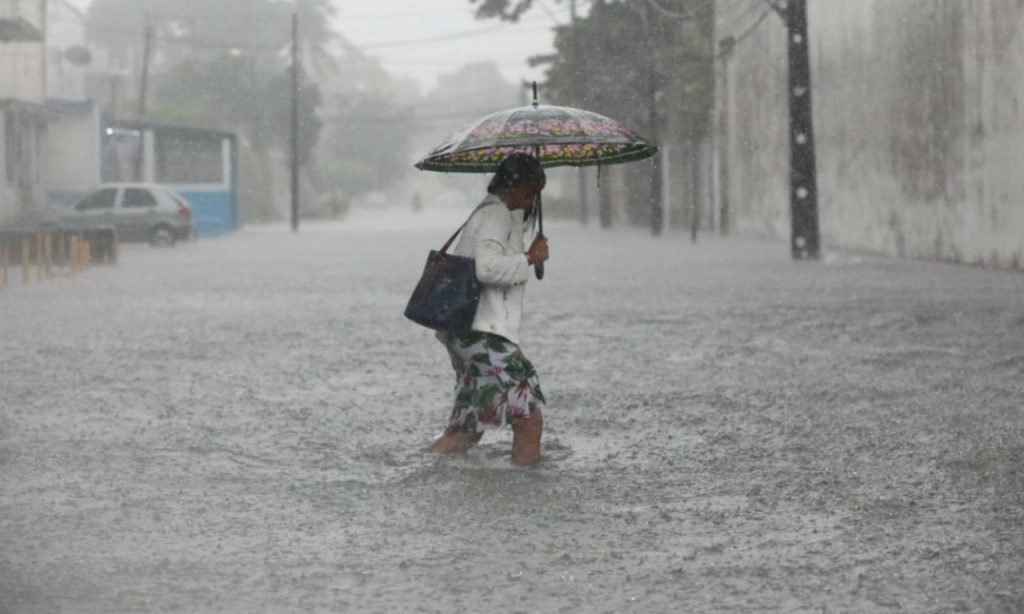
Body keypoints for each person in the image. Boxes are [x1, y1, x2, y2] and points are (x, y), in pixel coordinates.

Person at [426, 153, 550, 466]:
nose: (530, 200)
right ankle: (528, 502)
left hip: (466, 332)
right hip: (485, 335)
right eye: (529, 191)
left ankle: (420, 474)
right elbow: (488, 269)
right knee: (529, 419)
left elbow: (491, 263)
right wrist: (529, 259)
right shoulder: (495, 214)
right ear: (512, 185)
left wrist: (525, 255)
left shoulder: (495, 214)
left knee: (465, 431)